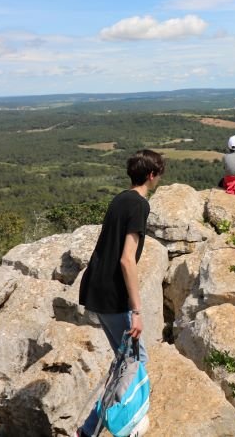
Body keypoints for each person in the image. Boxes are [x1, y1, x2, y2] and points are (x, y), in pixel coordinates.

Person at [76, 149, 165, 437]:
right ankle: (122, 424)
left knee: (124, 359)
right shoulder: (139, 205)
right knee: (135, 361)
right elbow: (127, 258)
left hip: (96, 290)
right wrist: (137, 311)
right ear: (151, 175)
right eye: (159, 173)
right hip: (114, 297)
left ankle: (89, 429)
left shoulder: (120, 199)